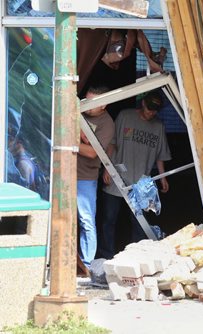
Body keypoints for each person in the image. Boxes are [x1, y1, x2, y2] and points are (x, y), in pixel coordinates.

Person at [99, 90, 171, 259]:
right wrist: (107, 168)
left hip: (141, 184)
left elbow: (161, 155)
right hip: (117, 178)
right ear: (143, 104)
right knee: (108, 220)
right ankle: (105, 256)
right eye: (149, 109)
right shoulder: (125, 116)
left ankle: (135, 257)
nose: (151, 113)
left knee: (139, 223)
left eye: (155, 111)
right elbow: (112, 144)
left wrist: (163, 177)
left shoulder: (158, 126)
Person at [77, 86, 115, 268]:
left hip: (85, 177)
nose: (86, 105)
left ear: (103, 105)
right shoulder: (78, 111)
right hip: (63, 173)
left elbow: (93, 153)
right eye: (85, 100)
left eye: (92, 103)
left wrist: (67, 143)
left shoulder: (107, 124)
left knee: (86, 220)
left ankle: (87, 265)